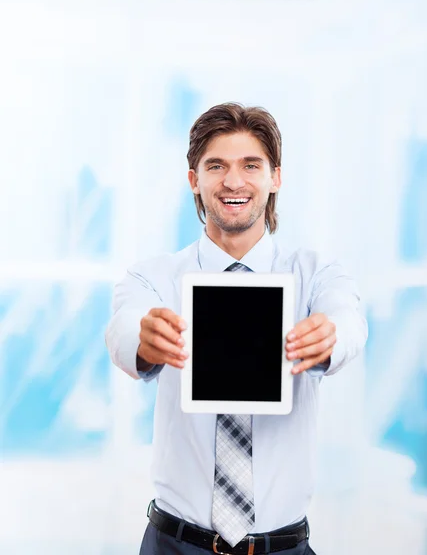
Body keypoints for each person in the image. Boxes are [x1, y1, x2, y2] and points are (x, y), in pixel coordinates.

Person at [105, 103, 368, 555]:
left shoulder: (316, 274)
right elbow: (124, 329)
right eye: (216, 166)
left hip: (282, 546)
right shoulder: (154, 278)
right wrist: (144, 341)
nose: (233, 181)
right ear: (194, 179)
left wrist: (331, 337)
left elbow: (348, 321)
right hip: (174, 544)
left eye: (251, 165)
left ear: (275, 178)